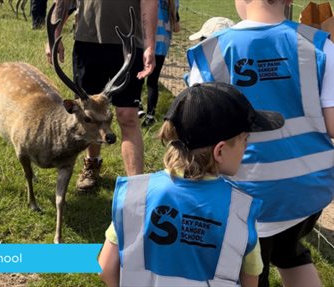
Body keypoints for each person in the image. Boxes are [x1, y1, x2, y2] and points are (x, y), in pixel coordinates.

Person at [186, 1, 334, 286]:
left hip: (244, 192)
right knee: (289, 252)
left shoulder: (212, 52)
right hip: (308, 191)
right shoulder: (319, 45)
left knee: (250, 269)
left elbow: (197, 129)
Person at [98, 82, 285, 287]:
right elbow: (251, 281)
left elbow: (106, 268)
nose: (246, 146)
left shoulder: (137, 196)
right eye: (244, 139)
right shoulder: (239, 212)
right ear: (220, 151)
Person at [47, 0, 157, 191]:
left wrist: (149, 46)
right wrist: (54, 36)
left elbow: (149, 2)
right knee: (89, 112)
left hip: (128, 48)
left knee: (128, 117)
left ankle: (136, 186)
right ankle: (92, 164)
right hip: (88, 43)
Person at [138, 0, 180, 127]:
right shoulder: (174, 2)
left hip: (145, 42)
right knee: (153, 81)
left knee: (139, 74)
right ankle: (150, 115)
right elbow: (176, 28)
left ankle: (137, 105)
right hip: (162, 45)